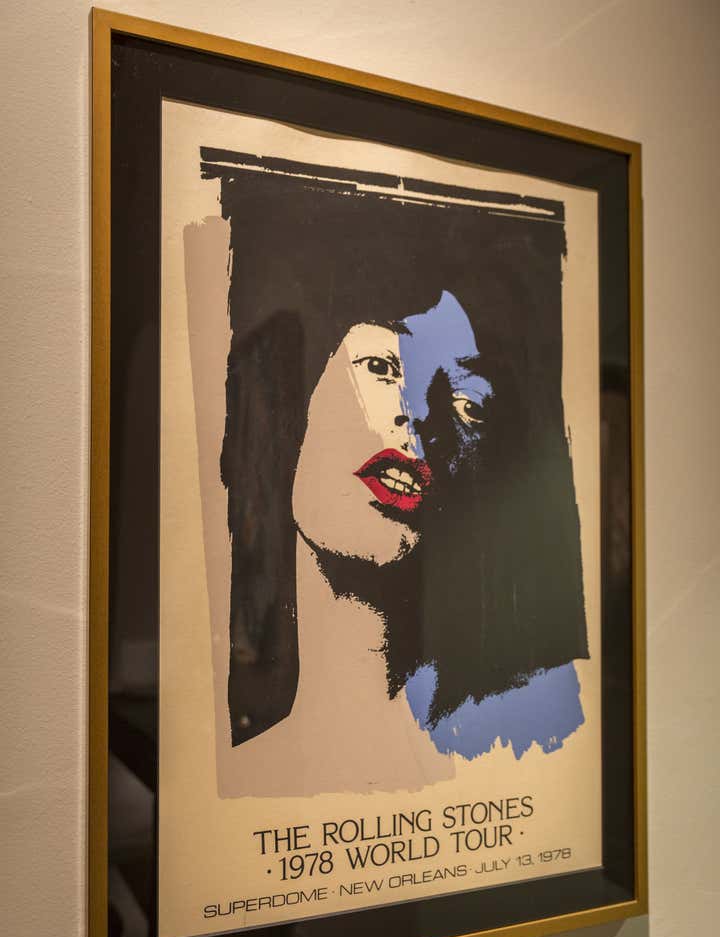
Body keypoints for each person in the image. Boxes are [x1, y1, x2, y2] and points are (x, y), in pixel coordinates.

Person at [211, 154, 589, 795]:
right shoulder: (232, 781)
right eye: (385, 369)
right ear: (291, 403)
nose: (416, 419)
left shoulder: (519, 766)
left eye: (465, 404)